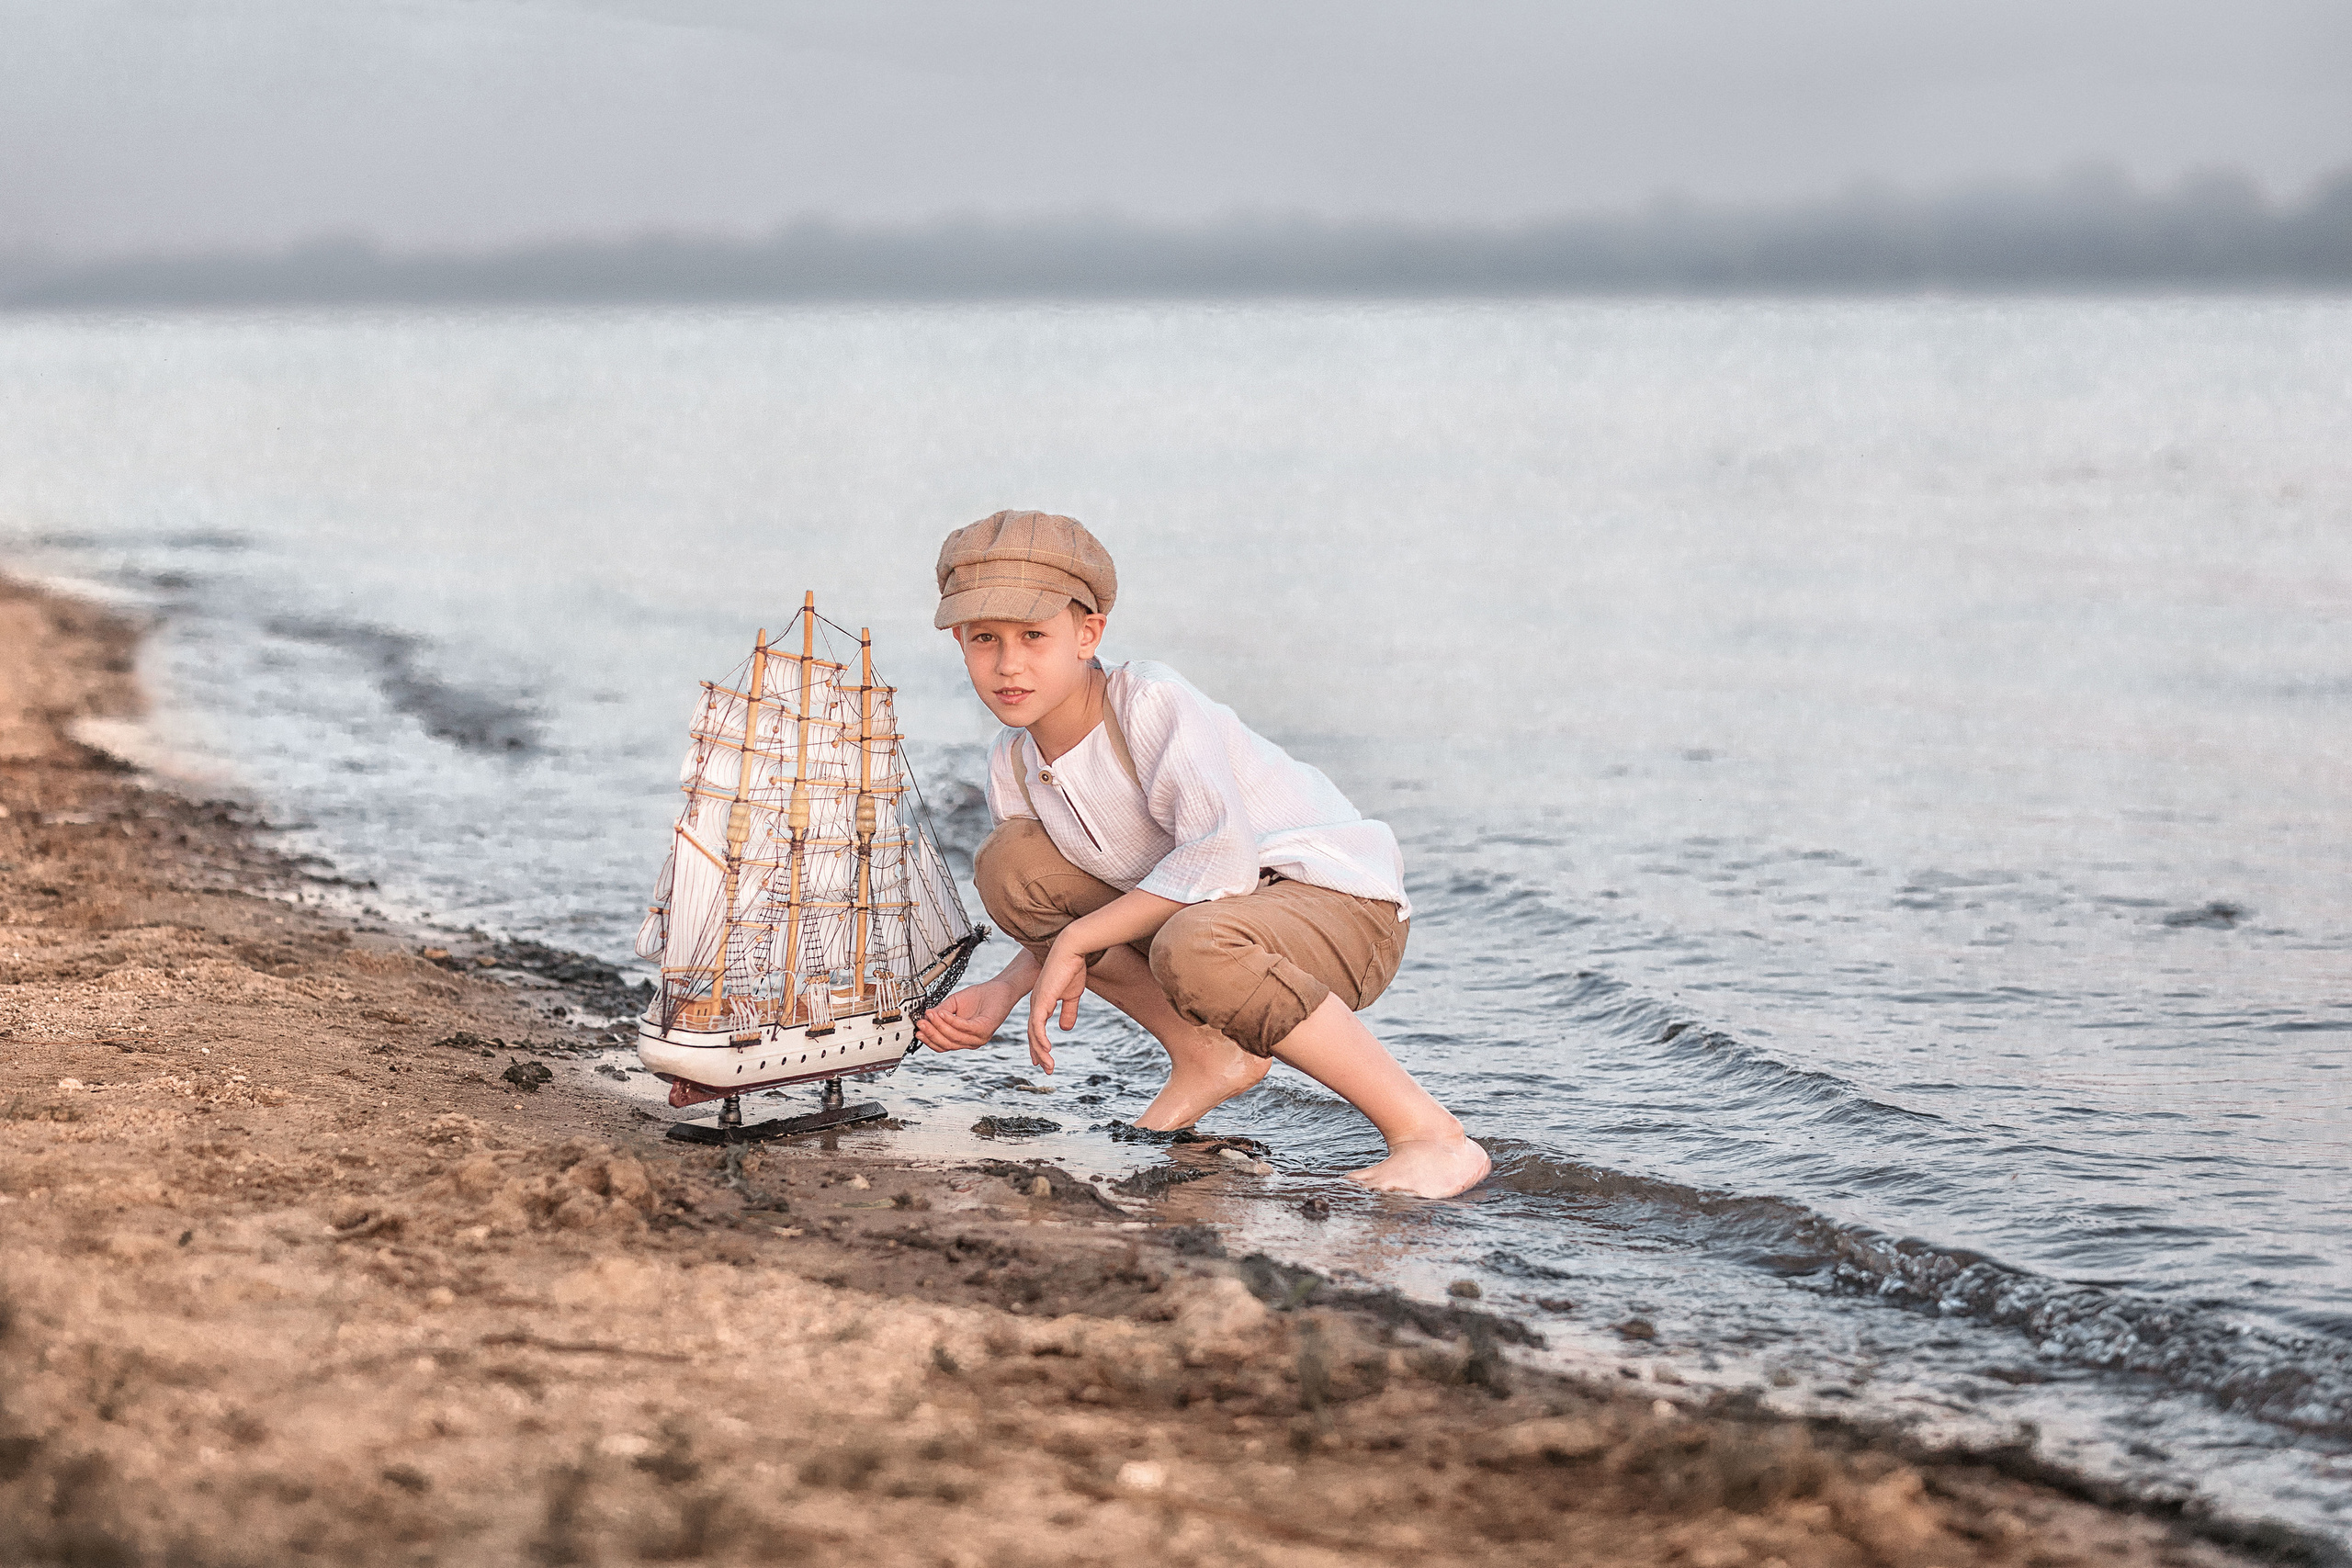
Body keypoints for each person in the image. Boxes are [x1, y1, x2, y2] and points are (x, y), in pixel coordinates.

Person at [912, 510, 1489, 1199]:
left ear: (1088, 633)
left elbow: (1219, 860)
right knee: (1011, 867)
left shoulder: (1149, 704)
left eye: (1034, 636)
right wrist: (1005, 991)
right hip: (1216, 922)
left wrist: (1080, 937)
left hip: (1343, 908)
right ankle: (1206, 1054)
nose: (1009, 664)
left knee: (1195, 942)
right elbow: (1074, 910)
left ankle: (1432, 1134)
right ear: (958, 641)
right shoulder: (1015, 760)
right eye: (984, 639)